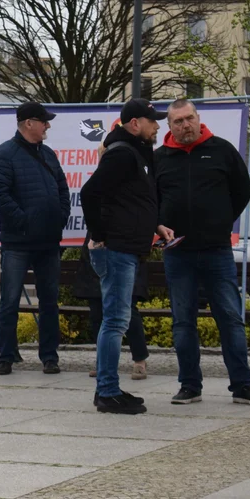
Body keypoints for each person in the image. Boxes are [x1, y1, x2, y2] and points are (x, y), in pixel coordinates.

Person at [155, 98, 250, 406]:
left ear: (198, 118)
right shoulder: (160, 159)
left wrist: (220, 221)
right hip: (178, 254)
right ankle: (190, 385)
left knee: (231, 318)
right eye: (178, 121)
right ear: (170, 126)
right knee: (182, 322)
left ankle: (242, 386)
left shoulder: (221, 150)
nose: (185, 125)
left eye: (189, 118)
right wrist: (158, 225)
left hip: (217, 251)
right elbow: (150, 202)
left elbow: (242, 191)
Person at [80, 99, 167, 414]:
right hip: (116, 249)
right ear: (135, 123)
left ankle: (109, 388)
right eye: (152, 120)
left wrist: (155, 225)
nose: (158, 125)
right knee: (115, 321)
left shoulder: (135, 153)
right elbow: (90, 193)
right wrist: (101, 236)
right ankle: (106, 391)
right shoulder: (121, 154)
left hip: (126, 248)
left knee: (116, 319)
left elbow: (133, 200)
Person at [0, 101, 69, 376]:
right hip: (17, 243)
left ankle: (49, 357)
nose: (48, 125)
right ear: (28, 123)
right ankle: (6, 356)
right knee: (9, 301)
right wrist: (24, 221)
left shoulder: (48, 155)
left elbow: (62, 189)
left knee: (49, 302)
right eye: (43, 121)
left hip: (48, 242)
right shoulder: (2, 155)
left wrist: (61, 217)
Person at [72, 233, 150, 380]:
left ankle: (140, 360)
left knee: (129, 313)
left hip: (127, 248)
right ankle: (103, 363)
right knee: (97, 313)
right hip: (97, 248)